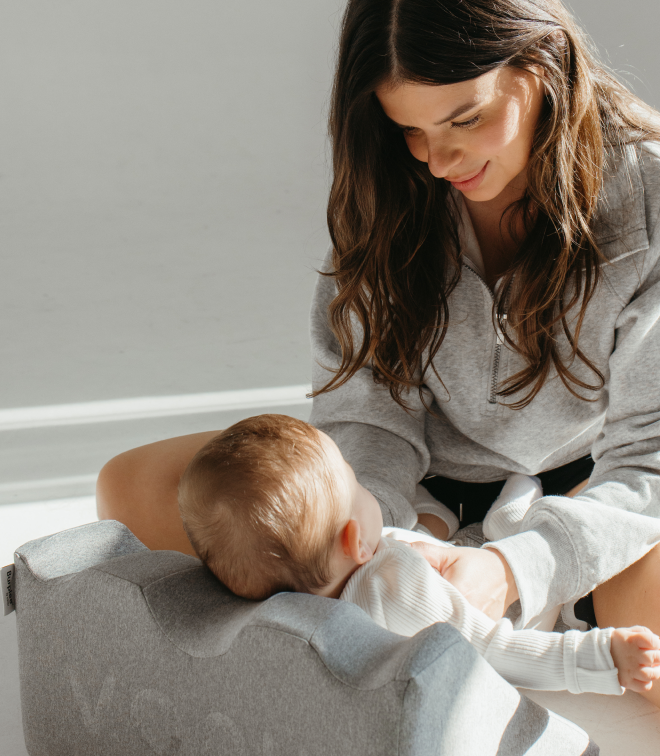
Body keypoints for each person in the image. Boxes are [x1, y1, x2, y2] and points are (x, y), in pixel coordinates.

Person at [96, 0, 660, 708]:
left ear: (542, 64)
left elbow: (649, 458)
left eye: (465, 119)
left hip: (584, 490)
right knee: (132, 489)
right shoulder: (392, 183)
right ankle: (361, 631)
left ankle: (554, 610)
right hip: (386, 497)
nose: (440, 160)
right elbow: (363, 406)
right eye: (411, 130)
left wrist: (516, 567)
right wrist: (378, 536)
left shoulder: (651, 195)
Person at [177, 413, 660, 696]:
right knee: (522, 505)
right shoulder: (397, 586)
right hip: (523, 608)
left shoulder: (278, 609)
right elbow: (496, 649)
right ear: (356, 542)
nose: (362, 480)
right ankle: (504, 521)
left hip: (424, 557)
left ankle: (445, 518)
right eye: (353, 476)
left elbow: (380, 535)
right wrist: (601, 658)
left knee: (417, 530)